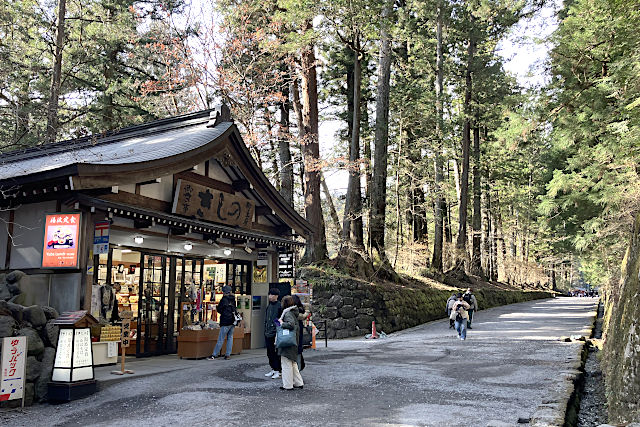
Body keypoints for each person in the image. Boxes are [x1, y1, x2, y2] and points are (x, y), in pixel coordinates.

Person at [278, 295, 304, 390]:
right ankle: (298, 382)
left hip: (287, 341)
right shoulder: (293, 312)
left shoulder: (287, 313)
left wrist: (281, 323)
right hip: (293, 340)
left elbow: (290, 325)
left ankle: (288, 385)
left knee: (286, 363)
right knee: (292, 362)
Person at [208, 285, 236, 360]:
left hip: (225, 321)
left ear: (224, 292)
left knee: (221, 338)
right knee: (230, 337)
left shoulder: (224, 299)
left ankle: (214, 354)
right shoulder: (233, 299)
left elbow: (219, 309)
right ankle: (227, 355)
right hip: (232, 321)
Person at [264, 288, 282, 379]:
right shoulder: (269, 306)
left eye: (272, 295)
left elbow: (280, 319)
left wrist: (276, 327)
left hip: (275, 332)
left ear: (276, 296)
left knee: (275, 352)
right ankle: (273, 368)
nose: (270, 296)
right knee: (269, 352)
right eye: (269, 294)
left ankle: (278, 370)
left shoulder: (279, 306)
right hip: (267, 331)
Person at [292, 294, 306, 371]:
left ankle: (296, 372)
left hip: (294, 333)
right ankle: (298, 371)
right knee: (298, 352)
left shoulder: (292, 312)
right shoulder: (301, 310)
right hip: (299, 332)